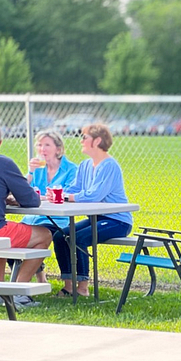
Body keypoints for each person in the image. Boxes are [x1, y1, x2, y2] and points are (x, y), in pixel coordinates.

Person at [51, 124, 132, 297]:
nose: (81, 141)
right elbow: (74, 189)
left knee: (79, 238)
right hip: (97, 218)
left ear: (97, 141)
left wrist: (68, 197)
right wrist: (56, 193)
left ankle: (83, 288)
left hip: (117, 221)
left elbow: (95, 195)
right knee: (60, 236)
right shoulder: (85, 165)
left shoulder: (109, 166)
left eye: (85, 137)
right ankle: (69, 285)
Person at [0, 121, 53, 307]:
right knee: (44, 234)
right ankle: (19, 292)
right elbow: (31, 200)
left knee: (2, 240)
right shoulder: (3, 163)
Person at [19, 130, 77, 283]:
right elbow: (22, 191)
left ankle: (25, 283)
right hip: (32, 218)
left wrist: (40, 197)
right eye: (39, 145)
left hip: (56, 220)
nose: (42, 149)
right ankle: (39, 279)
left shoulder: (71, 169)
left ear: (58, 149)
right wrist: (30, 172)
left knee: (42, 237)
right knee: (11, 240)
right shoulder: (37, 169)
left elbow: (67, 195)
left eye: (47, 145)